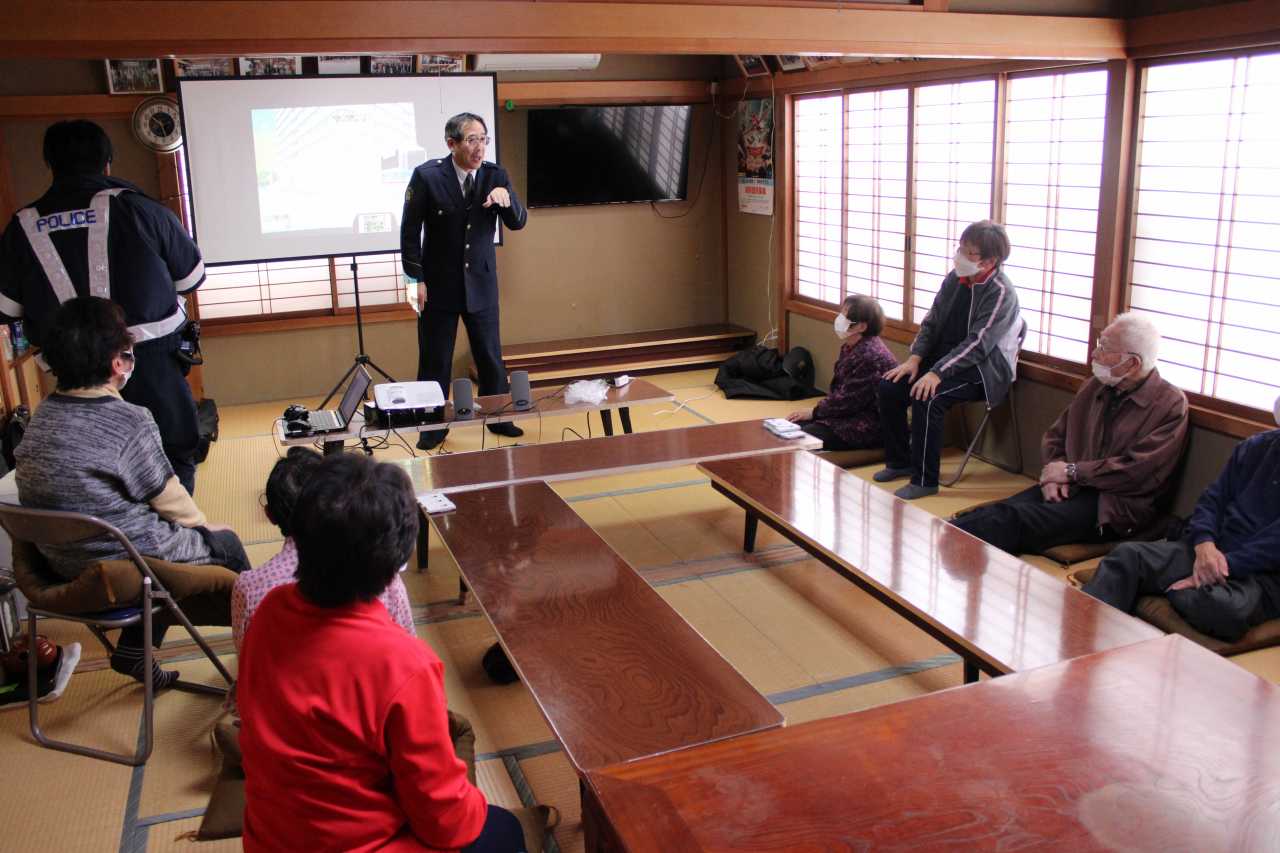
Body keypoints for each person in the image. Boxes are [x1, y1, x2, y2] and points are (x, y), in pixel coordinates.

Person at [238, 453, 525, 852]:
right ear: (398, 558)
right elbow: (446, 820)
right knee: (504, 830)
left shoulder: (269, 611)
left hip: (271, 836)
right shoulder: (402, 664)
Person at [14, 297, 248, 689]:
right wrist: (206, 530)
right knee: (225, 546)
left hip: (57, 565)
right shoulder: (128, 419)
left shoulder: (42, 417)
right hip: (120, 567)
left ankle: (134, 650)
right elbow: (167, 496)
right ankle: (264, 647)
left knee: (158, 558)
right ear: (117, 362)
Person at [0, 120, 206, 493]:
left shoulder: (21, 227)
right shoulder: (145, 210)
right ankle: (174, 542)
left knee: (92, 470)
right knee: (171, 457)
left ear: (50, 163)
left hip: (73, 374)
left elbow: (6, 309)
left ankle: (110, 542)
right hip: (151, 362)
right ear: (108, 162)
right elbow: (190, 280)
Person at [952, 312, 1188, 555]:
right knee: (989, 515)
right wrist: (1054, 473)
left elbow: (1138, 472)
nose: (1095, 354)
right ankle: (936, 547)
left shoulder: (1170, 404)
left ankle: (933, 545)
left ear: (1132, 363)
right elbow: (1056, 436)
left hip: (1115, 507)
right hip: (1072, 486)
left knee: (1009, 521)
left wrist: (1072, 472)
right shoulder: (1095, 386)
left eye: (1105, 348)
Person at [1082, 408, 1280, 643]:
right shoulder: (1254, 447)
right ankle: (1082, 636)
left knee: (1225, 610)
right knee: (1127, 557)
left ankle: (1178, 590)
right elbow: (1212, 500)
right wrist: (1204, 543)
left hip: (1264, 574)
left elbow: (1273, 546)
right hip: (1212, 549)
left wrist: (1223, 566)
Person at [401, 112, 528, 451]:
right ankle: (432, 425)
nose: (479, 147)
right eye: (471, 140)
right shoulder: (427, 176)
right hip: (438, 286)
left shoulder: (495, 175)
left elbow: (517, 223)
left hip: (482, 284)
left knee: (490, 356)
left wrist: (508, 200)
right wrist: (415, 281)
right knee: (434, 359)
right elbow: (409, 234)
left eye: (483, 139)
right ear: (452, 143)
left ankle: (499, 416)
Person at [875, 220, 1022, 500]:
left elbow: (979, 343)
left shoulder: (1001, 292)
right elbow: (932, 320)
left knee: (927, 398)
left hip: (984, 368)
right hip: (945, 359)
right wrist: (915, 359)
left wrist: (937, 373)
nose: (960, 256)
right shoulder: (956, 278)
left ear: (990, 261)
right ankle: (899, 461)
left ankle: (924, 479)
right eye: (961, 248)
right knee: (890, 387)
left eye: (970, 253)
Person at [231, 447, 415, 654]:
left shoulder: (253, 590)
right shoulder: (383, 581)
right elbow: (407, 641)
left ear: (271, 515)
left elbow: (246, 655)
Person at [787, 294, 897, 450]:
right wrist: (816, 412)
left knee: (804, 436)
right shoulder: (852, 346)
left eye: (845, 316)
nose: (839, 318)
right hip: (848, 413)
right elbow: (840, 393)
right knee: (792, 426)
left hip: (868, 423)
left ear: (861, 326)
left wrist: (815, 412)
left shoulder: (870, 356)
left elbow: (848, 400)